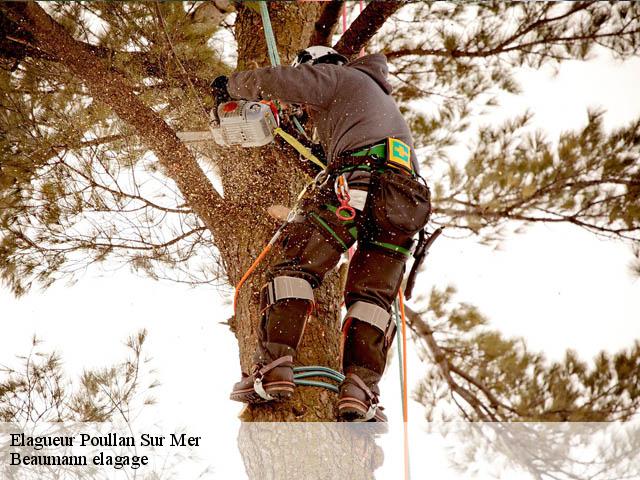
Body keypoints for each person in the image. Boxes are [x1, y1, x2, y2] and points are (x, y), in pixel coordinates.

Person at [212, 46, 431, 422]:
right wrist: (282, 133)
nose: (307, 112)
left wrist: (229, 86)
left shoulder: (339, 77)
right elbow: (320, 159)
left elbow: (278, 81)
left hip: (357, 183)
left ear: (317, 68)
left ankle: (274, 368)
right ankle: (360, 391)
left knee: (295, 269)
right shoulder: (367, 104)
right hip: (404, 200)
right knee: (372, 299)